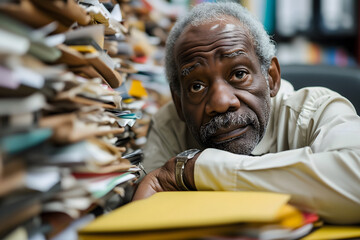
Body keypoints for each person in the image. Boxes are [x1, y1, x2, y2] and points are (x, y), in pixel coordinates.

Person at [133, 2, 360, 224]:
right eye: (196, 86)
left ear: (271, 77)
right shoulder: (170, 125)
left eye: (239, 74)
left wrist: (196, 170)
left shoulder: (315, 109)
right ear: (179, 103)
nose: (221, 102)